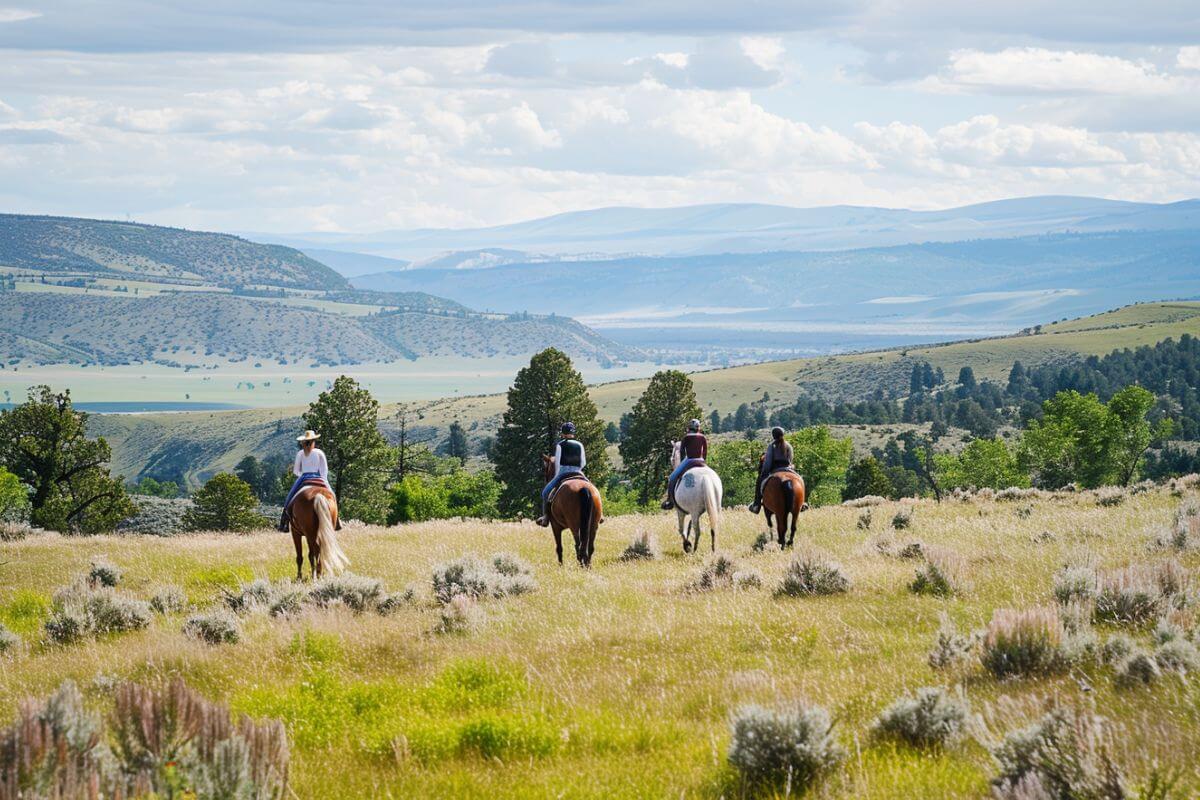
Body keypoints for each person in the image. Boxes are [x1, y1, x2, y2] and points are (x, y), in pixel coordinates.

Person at [277, 430, 335, 532]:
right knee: (332, 496)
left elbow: (296, 471)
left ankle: (284, 522)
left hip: (304, 478)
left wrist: (304, 475)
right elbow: (324, 470)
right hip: (319, 477)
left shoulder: (300, 453)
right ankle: (336, 520)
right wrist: (323, 480)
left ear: (304, 442)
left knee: (290, 498)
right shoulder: (319, 453)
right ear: (314, 441)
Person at [536, 422, 586, 527]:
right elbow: (583, 462)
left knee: (545, 493)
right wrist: (578, 469)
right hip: (578, 471)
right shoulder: (580, 445)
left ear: (562, 434)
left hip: (563, 472)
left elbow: (557, 463)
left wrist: (557, 476)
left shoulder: (560, 445)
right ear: (573, 433)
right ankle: (600, 515)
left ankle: (545, 517)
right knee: (593, 490)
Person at [661, 418, 707, 509]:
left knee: (672, 477)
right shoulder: (702, 437)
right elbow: (705, 451)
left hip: (689, 460)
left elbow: (682, 451)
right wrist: (703, 460)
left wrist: (682, 463)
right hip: (701, 460)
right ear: (698, 428)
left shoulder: (686, 437)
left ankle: (669, 500)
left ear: (689, 428)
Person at [748, 426, 793, 514]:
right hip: (788, 469)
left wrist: (764, 472)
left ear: (773, 436)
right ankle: (802, 502)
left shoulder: (772, 446)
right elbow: (790, 459)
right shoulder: (788, 445)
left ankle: (756, 505)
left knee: (759, 482)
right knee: (799, 479)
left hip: (775, 469)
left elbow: (768, 462)